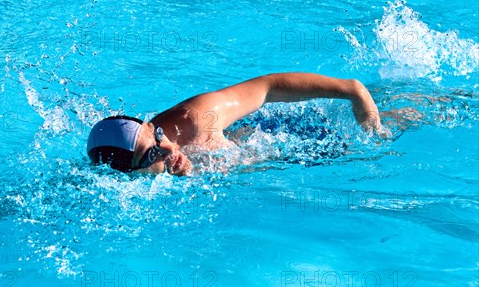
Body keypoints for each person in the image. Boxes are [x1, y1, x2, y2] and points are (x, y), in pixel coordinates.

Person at [87, 72, 384, 176]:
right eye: (150, 155)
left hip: (294, 134)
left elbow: (268, 88)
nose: (165, 150)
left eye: (158, 137)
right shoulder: (123, 179)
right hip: (269, 159)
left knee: (396, 130)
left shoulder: (198, 118)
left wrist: (352, 91)